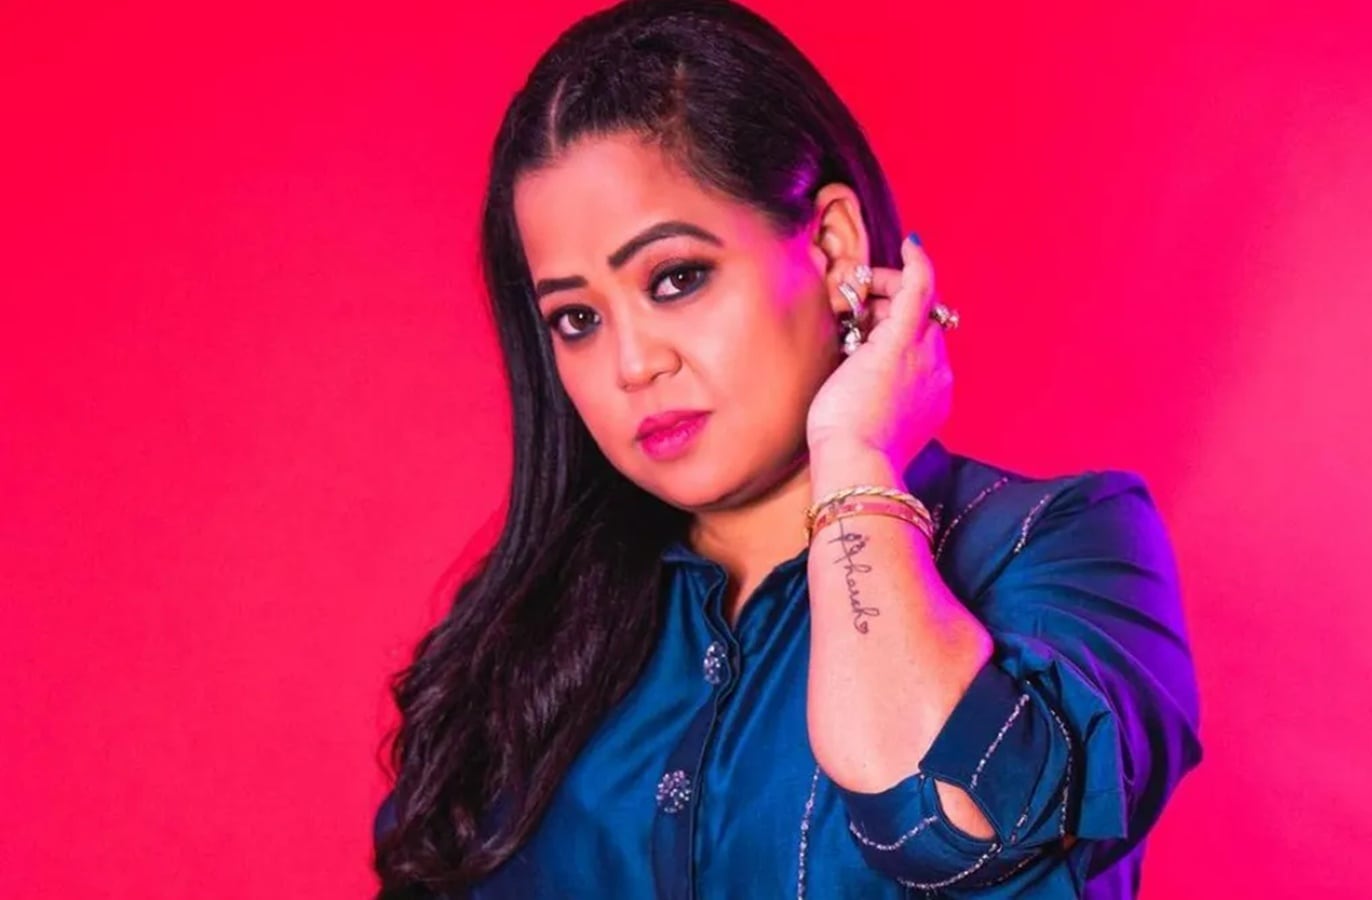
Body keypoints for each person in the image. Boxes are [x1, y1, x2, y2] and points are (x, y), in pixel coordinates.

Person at [371, 0, 1201, 896]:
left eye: (676, 278)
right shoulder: (533, 624)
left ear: (834, 247)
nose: (632, 364)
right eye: (576, 319)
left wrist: (854, 456)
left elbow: (950, 830)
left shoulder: (1057, 544)